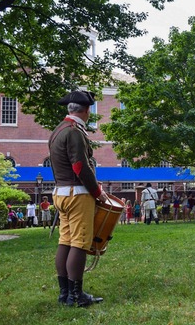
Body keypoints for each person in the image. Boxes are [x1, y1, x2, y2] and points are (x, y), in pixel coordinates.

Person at [49, 90, 107, 307]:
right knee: (80, 243)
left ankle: (64, 293)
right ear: (86, 110)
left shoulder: (58, 130)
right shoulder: (74, 132)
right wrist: (97, 193)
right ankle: (76, 295)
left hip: (61, 192)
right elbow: (79, 166)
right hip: (77, 194)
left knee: (65, 241)